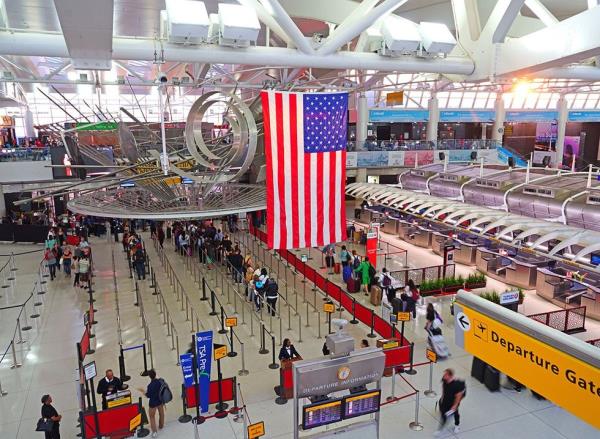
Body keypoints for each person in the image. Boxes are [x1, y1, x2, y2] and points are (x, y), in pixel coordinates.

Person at [435, 368, 466, 436]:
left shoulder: (456, 385)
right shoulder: (444, 379)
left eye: (446, 374)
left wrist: (455, 405)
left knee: (455, 413)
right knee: (443, 411)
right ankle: (442, 424)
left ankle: (457, 425)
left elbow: (458, 396)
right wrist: (443, 396)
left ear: (450, 376)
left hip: (454, 400)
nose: (444, 376)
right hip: (447, 398)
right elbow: (443, 387)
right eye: (444, 374)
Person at [138, 369, 164, 438]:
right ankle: (161, 425)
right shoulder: (160, 382)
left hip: (153, 403)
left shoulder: (150, 386)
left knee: (152, 417)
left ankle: (154, 431)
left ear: (149, 376)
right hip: (160, 401)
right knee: (161, 413)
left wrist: (143, 391)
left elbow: (148, 396)